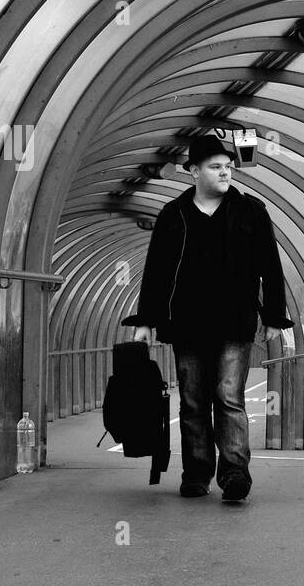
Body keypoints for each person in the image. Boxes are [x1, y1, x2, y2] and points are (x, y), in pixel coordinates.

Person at [122, 134, 292, 501]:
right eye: (215, 167)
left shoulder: (252, 211)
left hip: (236, 322)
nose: (225, 173)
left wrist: (275, 317)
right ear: (193, 171)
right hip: (187, 324)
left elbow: (270, 267)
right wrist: (146, 321)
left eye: (228, 167)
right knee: (194, 401)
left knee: (229, 397)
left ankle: (234, 475)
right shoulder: (174, 214)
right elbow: (156, 273)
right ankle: (196, 474)